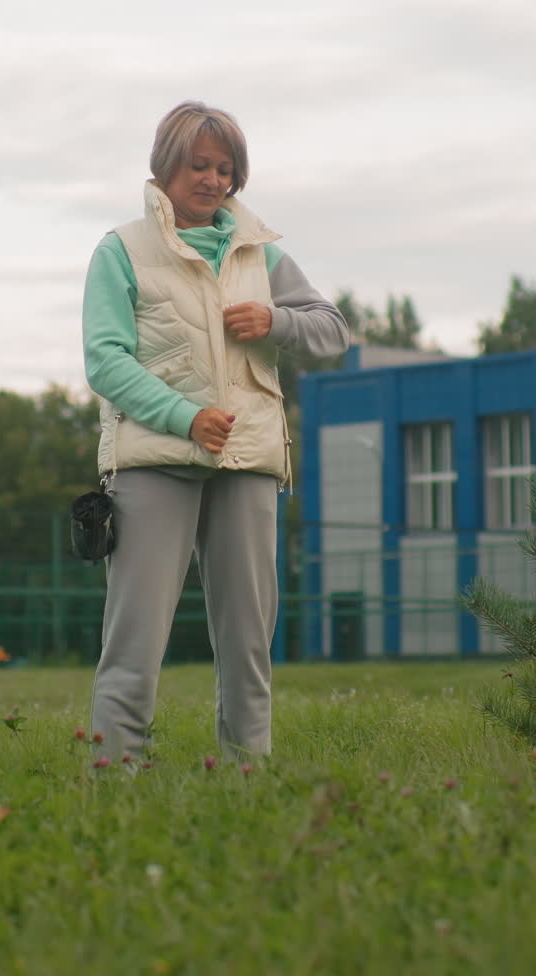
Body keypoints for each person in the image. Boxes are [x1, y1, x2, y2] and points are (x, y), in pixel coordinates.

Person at [82, 101, 348, 763]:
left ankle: (246, 780)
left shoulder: (264, 255)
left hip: (250, 463)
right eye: (198, 164)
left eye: (226, 168)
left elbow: (333, 333)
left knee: (248, 643)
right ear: (165, 166)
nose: (212, 179)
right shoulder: (121, 251)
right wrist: (184, 417)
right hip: (154, 462)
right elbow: (105, 360)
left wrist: (277, 323)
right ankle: (116, 780)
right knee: (134, 641)